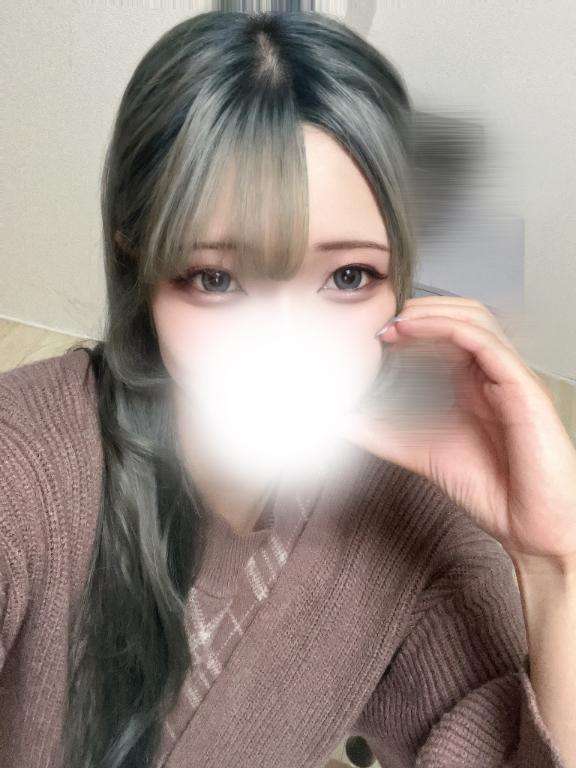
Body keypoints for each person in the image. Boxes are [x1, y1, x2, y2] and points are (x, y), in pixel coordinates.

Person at [1, 9, 574, 768]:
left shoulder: (420, 522)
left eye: (348, 276)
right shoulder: (22, 465)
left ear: (400, 281)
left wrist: (557, 562)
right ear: (140, 265)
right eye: (216, 278)